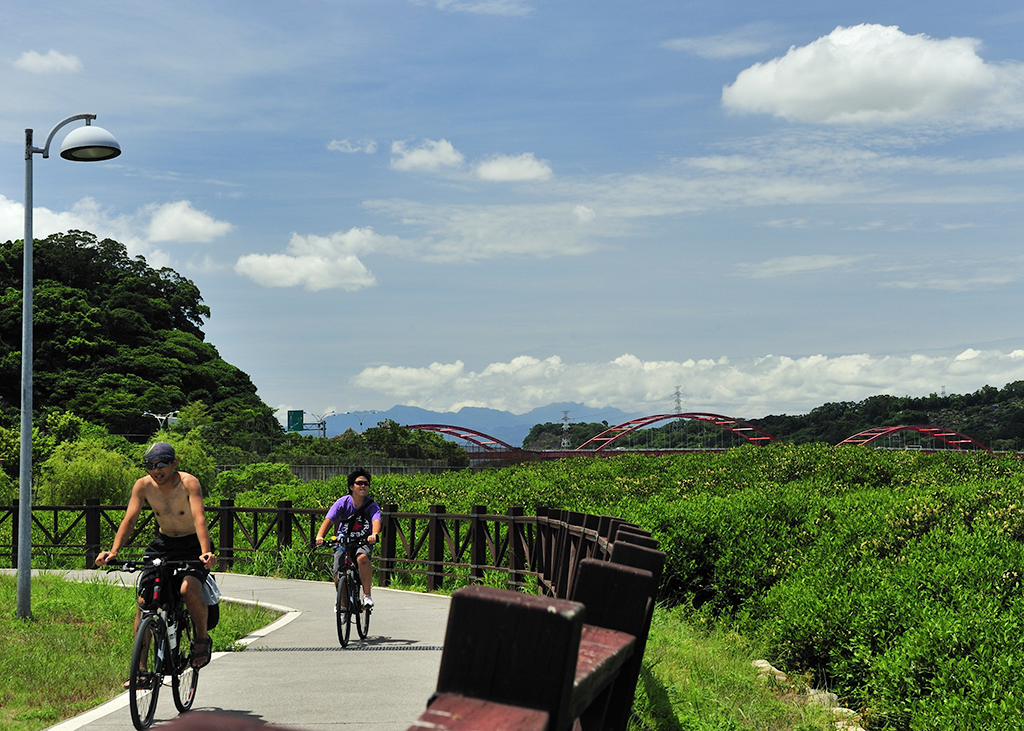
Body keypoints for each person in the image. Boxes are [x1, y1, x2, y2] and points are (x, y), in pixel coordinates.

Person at [95, 441, 217, 674]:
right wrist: (114, 551)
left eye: (162, 464)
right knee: (144, 604)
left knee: (188, 590)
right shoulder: (142, 486)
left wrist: (205, 552)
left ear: (174, 463)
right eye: (150, 465)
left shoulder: (188, 482)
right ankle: (140, 669)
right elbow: (129, 520)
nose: (156, 469)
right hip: (163, 544)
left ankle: (202, 640)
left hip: (192, 543)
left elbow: (199, 518)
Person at [316, 469, 382, 607]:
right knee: (338, 570)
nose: (363, 486)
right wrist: (320, 536)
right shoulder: (342, 502)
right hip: (343, 539)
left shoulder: (372, 505)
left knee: (362, 558)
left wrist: (374, 534)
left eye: (366, 483)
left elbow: (376, 520)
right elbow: (329, 520)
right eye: (359, 483)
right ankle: (343, 605)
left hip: (363, 540)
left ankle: (367, 596)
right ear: (352, 487)